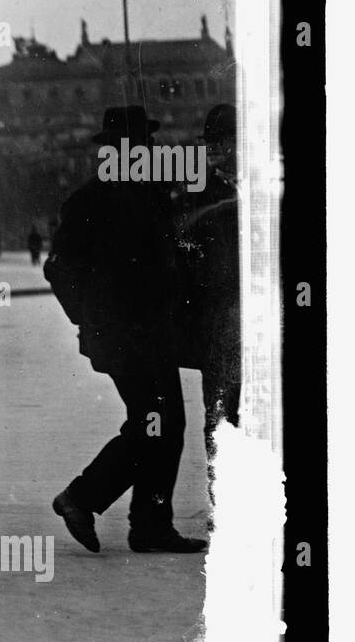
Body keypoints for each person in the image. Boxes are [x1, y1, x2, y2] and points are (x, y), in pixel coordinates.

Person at [44, 106, 206, 554]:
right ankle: (83, 499)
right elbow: (59, 269)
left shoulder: (152, 197)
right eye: (136, 147)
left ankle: (147, 525)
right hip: (121, 334)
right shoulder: (89, 201)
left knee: (162, 424)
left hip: (152, 333)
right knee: (158, 423)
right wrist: (90, 317)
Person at [176, 103, 241, 504]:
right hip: (218, 314)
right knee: (221, 409)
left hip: (258, 311)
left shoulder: (259, 181)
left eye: (224, 141)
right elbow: (183, 241)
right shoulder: (199, 188)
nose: (218, 149)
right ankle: (226, 499)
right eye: (213, 142)